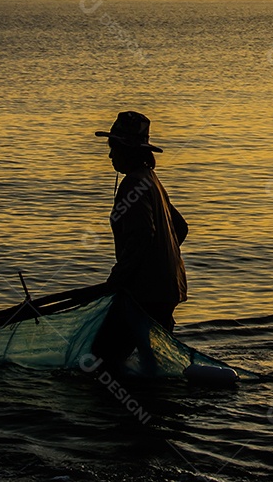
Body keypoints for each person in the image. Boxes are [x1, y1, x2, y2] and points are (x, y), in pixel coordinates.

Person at [90, 111, 188, 374]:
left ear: (128, 151)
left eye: (114, 148)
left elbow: (142, 237)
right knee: (153, 364)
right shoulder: (150, 180)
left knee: (99, 359)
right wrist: (161, 263)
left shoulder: (133, 185)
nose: (110, 155)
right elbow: (180, 227)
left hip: (143, 295)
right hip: (167, 289)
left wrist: (117, 280)